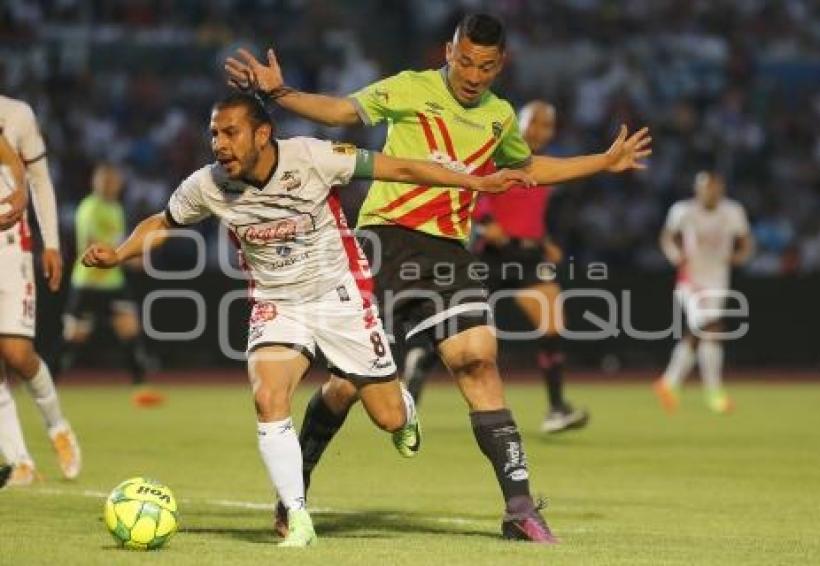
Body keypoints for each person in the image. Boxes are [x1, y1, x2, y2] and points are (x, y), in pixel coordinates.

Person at [225, 13, 650, 543]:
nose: (473, 74)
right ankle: (297, 487)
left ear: (501, 66)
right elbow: (342, 111)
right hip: (383, 242)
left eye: (486, 66)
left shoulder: (499, 116)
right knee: (347, 386)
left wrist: (602, 161)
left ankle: (519, 507)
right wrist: (282, 92)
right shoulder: (411, 87)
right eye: (465, 60)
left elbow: (529, 169)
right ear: (449, 51)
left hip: (449, 252)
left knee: (478, 361)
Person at [82, 93, 532, 548]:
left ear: (262, 134)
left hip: (341, 297)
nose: (219, 143)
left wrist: (476, 182)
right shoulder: (208, 185)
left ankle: (405, 410)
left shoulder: (314, 157)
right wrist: (119, 253)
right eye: (214, 133)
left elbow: (403, 168)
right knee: (268, 396)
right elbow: (162, 222)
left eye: (230, 132)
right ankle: (297, 516)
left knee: (388, 416)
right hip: (277, 302)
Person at [403, 100, 590, 434]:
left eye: (547, 125)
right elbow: (470, 193)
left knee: (552, 326)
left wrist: (544, 239)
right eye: (534, 122)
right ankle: (414, 381)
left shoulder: (542, 167)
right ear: (519, 122)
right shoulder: (495, 154)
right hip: (489, 255)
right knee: (456, 327)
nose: (539, 130)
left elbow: (527, 212)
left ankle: (557, 409)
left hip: (529, 256)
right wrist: (484, 223)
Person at [0, 95, 81, 486]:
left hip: (11, 246)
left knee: (17, 352)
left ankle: (57, 425)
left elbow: (37, 180)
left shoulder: (16, 115)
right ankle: (20, 463)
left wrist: (51, 243)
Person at [61, 163, 164, 407]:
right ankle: (46, 383)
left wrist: (131, 254)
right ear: (95, 182)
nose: (111, 185)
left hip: (113, 282)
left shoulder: (116, 208)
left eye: (114, 181)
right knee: (74, 337)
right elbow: (93, 244)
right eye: (106, 180)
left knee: (130, 331)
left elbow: (119, 242)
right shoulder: (90, 208)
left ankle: (141, 388)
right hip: (88, 282)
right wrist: (128, 258)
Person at [655, 171, 753, 414]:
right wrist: (676, 256)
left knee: (699, 332)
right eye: (707, 188)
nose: (712, 192)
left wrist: (741, 256)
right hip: (691, 279)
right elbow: (667, 237)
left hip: (718, 279)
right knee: (711, 327)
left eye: (716, 188)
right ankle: (714, 392)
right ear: (698, 189)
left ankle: (668, 382)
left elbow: (745, 240)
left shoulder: (733, 211)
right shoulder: (683, 211)